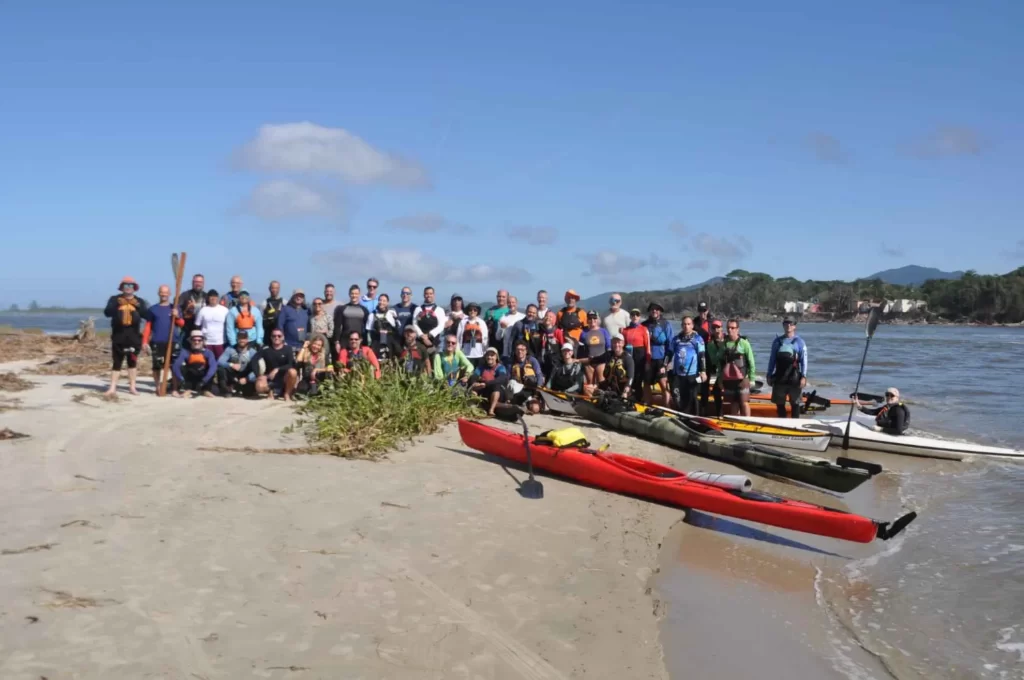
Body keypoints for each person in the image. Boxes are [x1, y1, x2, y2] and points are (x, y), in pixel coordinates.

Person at [103, 276, 149, 396]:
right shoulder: (114, 299)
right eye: (126, 285)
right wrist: (117, 305)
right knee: (117, 362)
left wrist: (138, 306)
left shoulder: (140, 301)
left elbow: (146, 315)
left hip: (134, 336)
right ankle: (112, 388)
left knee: (132, 362)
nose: (128, 288)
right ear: (122, 287)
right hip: (118, 335)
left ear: (134, 288)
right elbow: (107, 313)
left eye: (130, 285)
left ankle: (132, 387)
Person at [141, 284, 183, 394]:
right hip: (157, 341)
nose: (164, 294)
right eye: (162, 292)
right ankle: (158, 387)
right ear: (159, 293)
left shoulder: (175, 307)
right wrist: (144, 341)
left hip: (173, 341)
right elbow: (148, 327)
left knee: (174, 366)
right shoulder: (153, 309)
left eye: (166, 292)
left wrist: (177, 316)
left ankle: (174, 389)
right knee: (157, 366)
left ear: (169, 294)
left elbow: (182, 324)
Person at [709, 319, 755, 417]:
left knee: (744, 402)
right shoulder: (724, 345)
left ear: (737, 329)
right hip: (729, 380)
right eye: (728, 328)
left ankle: (748, 422)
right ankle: (735, 423)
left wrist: (752, 379)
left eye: (733, 328)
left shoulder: (744, 343)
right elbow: (719, 364)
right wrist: (720, 380)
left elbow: (751, 361)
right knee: (733, 403)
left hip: (743, 379)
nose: (730, 330)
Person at [766, 317, 808, 418]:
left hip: (794, 378)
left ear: (794, 326)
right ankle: (782, 423)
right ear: (783, 325)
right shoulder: (777, 342)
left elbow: (804, 361)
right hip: (780, 378)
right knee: (780, 404)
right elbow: (772, 360)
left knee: (795, 404)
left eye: (791, 323)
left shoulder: (799, 342)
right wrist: (769, 374)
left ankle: (795, 425)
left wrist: (804, 376)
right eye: (786, 323)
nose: (788, 325)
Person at [667, 316, 706, 414]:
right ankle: (680, 414)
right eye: (684, 324)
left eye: (688, 324)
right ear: (681, 325)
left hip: (692, 374)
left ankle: (695, 417)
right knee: (677, 396)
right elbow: (669, 354)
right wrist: (664, 365)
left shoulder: (698, 339)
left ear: (692, 326)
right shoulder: (676, 339)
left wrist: (703, 371)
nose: (686, 326)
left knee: (692, 397)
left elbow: (702, 356)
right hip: (678, 374)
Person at [642, 302, 673, 405]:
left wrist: (666, 363)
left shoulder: (666, 324)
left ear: (660, 311)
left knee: (664, 384)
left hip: (661, 359)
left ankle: (667, 407)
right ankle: (647, 404)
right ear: (650, 311)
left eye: (657, 309)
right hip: (648, 359)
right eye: (652, 309)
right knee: (646, 383)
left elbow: (670, 345)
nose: (654, 311)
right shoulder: (644, 325)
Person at [172, 330, 218, 397]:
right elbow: (176, 366)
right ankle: (188, 389)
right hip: (190, 378)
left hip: (204, 379)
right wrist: (181, 379)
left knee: (210, 369)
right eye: (194, 340)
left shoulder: (208, 353)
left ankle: (205, 390)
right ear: (190, 341)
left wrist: (204, 380)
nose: (197, 342)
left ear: (203, 341)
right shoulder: (185, 352)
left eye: (199, 340)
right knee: (182, 367)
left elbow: (213, 367)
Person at [256, 328, 298, 401]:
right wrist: (259, 375)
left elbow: (291, 364)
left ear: (283, 337)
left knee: (293, 372)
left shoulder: (288, 349)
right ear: (271, 337)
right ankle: (270, 391)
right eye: (274, 336)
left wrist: (278, 369)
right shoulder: (265, 349)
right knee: (259, 387)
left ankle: (287, 394)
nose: (276, 338)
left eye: (279, 336)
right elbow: (254, 360)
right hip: (270, 377)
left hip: (284, 377)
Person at [217, 330, 259, 397]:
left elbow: (257, 369)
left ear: (247, 339)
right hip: (233, 374)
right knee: (221, 369)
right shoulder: (230, 349)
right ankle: (227, 389)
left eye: (244, 338)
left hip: (246, 375)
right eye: (240, 338)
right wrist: (231, 364)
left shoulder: (252, 352)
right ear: (237, 339)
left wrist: (247, 378)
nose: (242, 340)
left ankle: (238, 388)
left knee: (248, 394)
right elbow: (219, 361)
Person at [468, 347, 509, 415]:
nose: (489, 357)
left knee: (496, 387)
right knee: (473, 389)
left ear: (496, 357)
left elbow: (502, 378)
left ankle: (491, 410)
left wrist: (486, 384)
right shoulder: (481, 367)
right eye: (488, 355)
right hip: (484, 390)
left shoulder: (500, 367)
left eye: (492, 355)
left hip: (497, 392)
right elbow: (474, 376)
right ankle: (478, 407)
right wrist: (475, 383)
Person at [622, 308, 651, 398]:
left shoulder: (644, 329)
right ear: (630, 316)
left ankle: (638, 398)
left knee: (638, 378)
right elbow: (623, 345)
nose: (635, 316)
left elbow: (648, 346)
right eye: (633, 315)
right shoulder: (625, 330)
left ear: (640, 317)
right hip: (629, 355)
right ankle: (629, 395)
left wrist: (648, 361)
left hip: (640, 355)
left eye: (637, 315)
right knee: (629, 376)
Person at [508, 340, 544, 412]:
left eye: (522, 350)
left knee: (535, 409)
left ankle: (531, 403)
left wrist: (538, 390)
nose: (520, 351)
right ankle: (522, 404)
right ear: (515, 351)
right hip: (518, 390)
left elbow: (539, 375)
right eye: (518, 349)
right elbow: (507, 377)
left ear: (526, 351)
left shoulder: (532, 360)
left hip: (531, 390)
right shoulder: (511, 362)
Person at [579, 310, 611, 386]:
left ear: (597, 319)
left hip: (601, 361)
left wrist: (608, 360)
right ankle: (591, 397)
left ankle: (603, 397)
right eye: (590, 318)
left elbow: (608, 347)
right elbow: (580, 349)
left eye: (594, 318)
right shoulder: (583, 333)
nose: (592, 320)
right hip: (589, 362)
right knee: (590, 382)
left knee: (601, 381)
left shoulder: (603, 331)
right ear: (587, 320)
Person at [701, 320, 726, 417]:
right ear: (711, 330)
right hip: (716, 372)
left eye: (718, 327)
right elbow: (715, 360)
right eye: (714, 328)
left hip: (728, 372)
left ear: (722, 328)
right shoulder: (710, 344)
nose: (717, 330)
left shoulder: (728, 340)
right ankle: (717, 413)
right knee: (715, 390)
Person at [600, 334, 636, 400]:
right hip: (609, 389)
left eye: (619, 342)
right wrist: (578, 360)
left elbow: (631, 377)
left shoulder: (627, 358)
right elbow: (595, 359)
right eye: (614, 342)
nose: (616, 345)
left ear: (623, 343)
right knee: (590, 389)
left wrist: (625, 392)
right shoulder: (609, 355)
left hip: (621, 390)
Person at [195, 289, 229, 359]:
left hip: (220, 342)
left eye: (215, 296)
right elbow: (197, 326)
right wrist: (200, 340)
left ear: (218, 298)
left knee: (220, 362)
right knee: (207, 362)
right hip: (206, 342)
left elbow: (229, 325)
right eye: (211, 296)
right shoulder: (203, 310)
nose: (213, 298)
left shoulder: (224, 310)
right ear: (208, 298)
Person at [366, 293, 399, 361]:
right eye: (380, 300)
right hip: (377, 343)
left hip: (389, 343)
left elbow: (397, 328)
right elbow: (368, 331)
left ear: (387, 303)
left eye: (384, 301)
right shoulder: (372, 315)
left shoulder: (391, 314)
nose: (381, 302)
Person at [412, 286, 447, 351]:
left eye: (431, 294)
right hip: (420, 342)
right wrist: (421, 335)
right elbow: (414, 324)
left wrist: (429, 335)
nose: (428, 295)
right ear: (424, 295)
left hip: (435, 342)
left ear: (434, 295)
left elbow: (441, 326)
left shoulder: (440, 310)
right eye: (426, 294)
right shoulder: (418, 309)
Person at [534, 311, 566, 379]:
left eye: (550, 317)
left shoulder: (558, 332)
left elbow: (562, 346)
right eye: (546, 316)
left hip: (554, 361)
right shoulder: (540, 332)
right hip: (542, 358)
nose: (548, 318)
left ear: (554, 320)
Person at [177, 273, 206, 339]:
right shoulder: (184, 295)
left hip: (201, 331)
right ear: (192, 283)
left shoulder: (206, 296)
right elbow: (178, 309)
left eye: (200, 282)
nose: (198, 284)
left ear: (203, 283)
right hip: (187, 330)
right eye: (196, 282)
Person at [496, 296, 525, 362]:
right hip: (506, 353)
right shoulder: (503, 317)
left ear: (517, 303)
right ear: (507, 304)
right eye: (509, 302)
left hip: (520, 353)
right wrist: (502, 328)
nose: (511, 304)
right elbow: (498, 337)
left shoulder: (523, 317)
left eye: (513, 302)